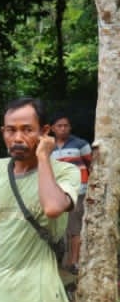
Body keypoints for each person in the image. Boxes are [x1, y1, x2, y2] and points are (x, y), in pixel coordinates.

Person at [0, 96, 81, 302]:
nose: (17, 138)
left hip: (40, 299)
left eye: (27, 130)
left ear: (44, 132)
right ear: (2, 132)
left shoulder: (65, 172)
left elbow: (52, 207)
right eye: (11, 130)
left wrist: (44, 158)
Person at [49, 112, 92, 272]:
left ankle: (74, 262)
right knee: (56, 228)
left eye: (66, 125)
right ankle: (60, 261)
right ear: (52, 128)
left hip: (77, 191)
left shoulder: (81, 144)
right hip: (55, 193)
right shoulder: (48, 146)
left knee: (75, 228)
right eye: (59, 126)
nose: (63, 128)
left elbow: (92, 165)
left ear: (70, 127)